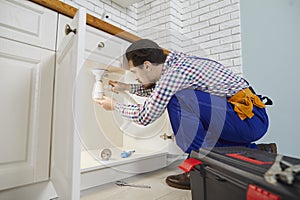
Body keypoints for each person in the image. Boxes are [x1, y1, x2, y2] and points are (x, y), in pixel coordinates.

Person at [95, 39, 276, 190]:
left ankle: (201, 166)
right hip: (248, 118)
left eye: (135, 72)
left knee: (177, 100)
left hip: (248, 119)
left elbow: (146, 115)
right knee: (178, 99)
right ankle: (254, 152)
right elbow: (159, 90)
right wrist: (126, 88)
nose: (135, 77)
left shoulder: (175, 74)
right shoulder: (176, 64)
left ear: (147, 66)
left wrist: (115, 106)